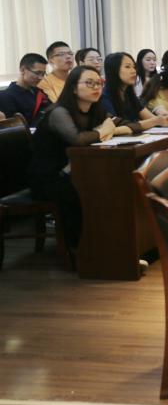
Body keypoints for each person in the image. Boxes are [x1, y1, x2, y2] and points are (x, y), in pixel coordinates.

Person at [29, 66, 141, 264]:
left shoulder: (95, 109)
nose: (96, 87)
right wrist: (103, 131)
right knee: (91, 191)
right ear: (73, 87)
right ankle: (83, 251)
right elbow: (77, 139)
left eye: (98, 83)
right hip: (49, 178)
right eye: (89, 83)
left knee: (114, 185)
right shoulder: (58, 112)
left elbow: (127, 124)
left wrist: (155, 121)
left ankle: (116, 247)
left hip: (75, 171)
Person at [100, 53, 168, 131]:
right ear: (113, 70)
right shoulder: (104, 97)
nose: (133, 71)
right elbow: (115, 126)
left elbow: (152, 118)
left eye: (134, 67)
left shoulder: (129, 95)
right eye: (127, 67)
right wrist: (155, 121)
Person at [0, 53, 51, 127]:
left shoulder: (40, 92)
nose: (41, 78)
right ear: (23, 70)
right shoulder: (6, 97)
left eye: (43, 74)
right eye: (37, 73)